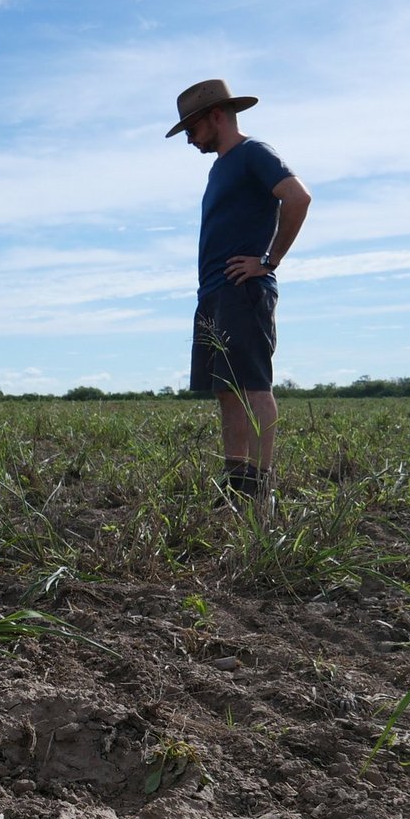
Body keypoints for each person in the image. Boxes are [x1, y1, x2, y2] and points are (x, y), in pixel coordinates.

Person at [167, 79, 311, 502]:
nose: (189, 140)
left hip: (242, 290)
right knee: (226, 391)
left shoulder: (254, 153)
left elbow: (297, 197)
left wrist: (269, 260)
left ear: (216, 116)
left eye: (192, 129)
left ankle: (261, 489)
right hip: (214, 292)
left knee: (253, 386)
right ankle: (236, 486)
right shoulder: (219, 167)